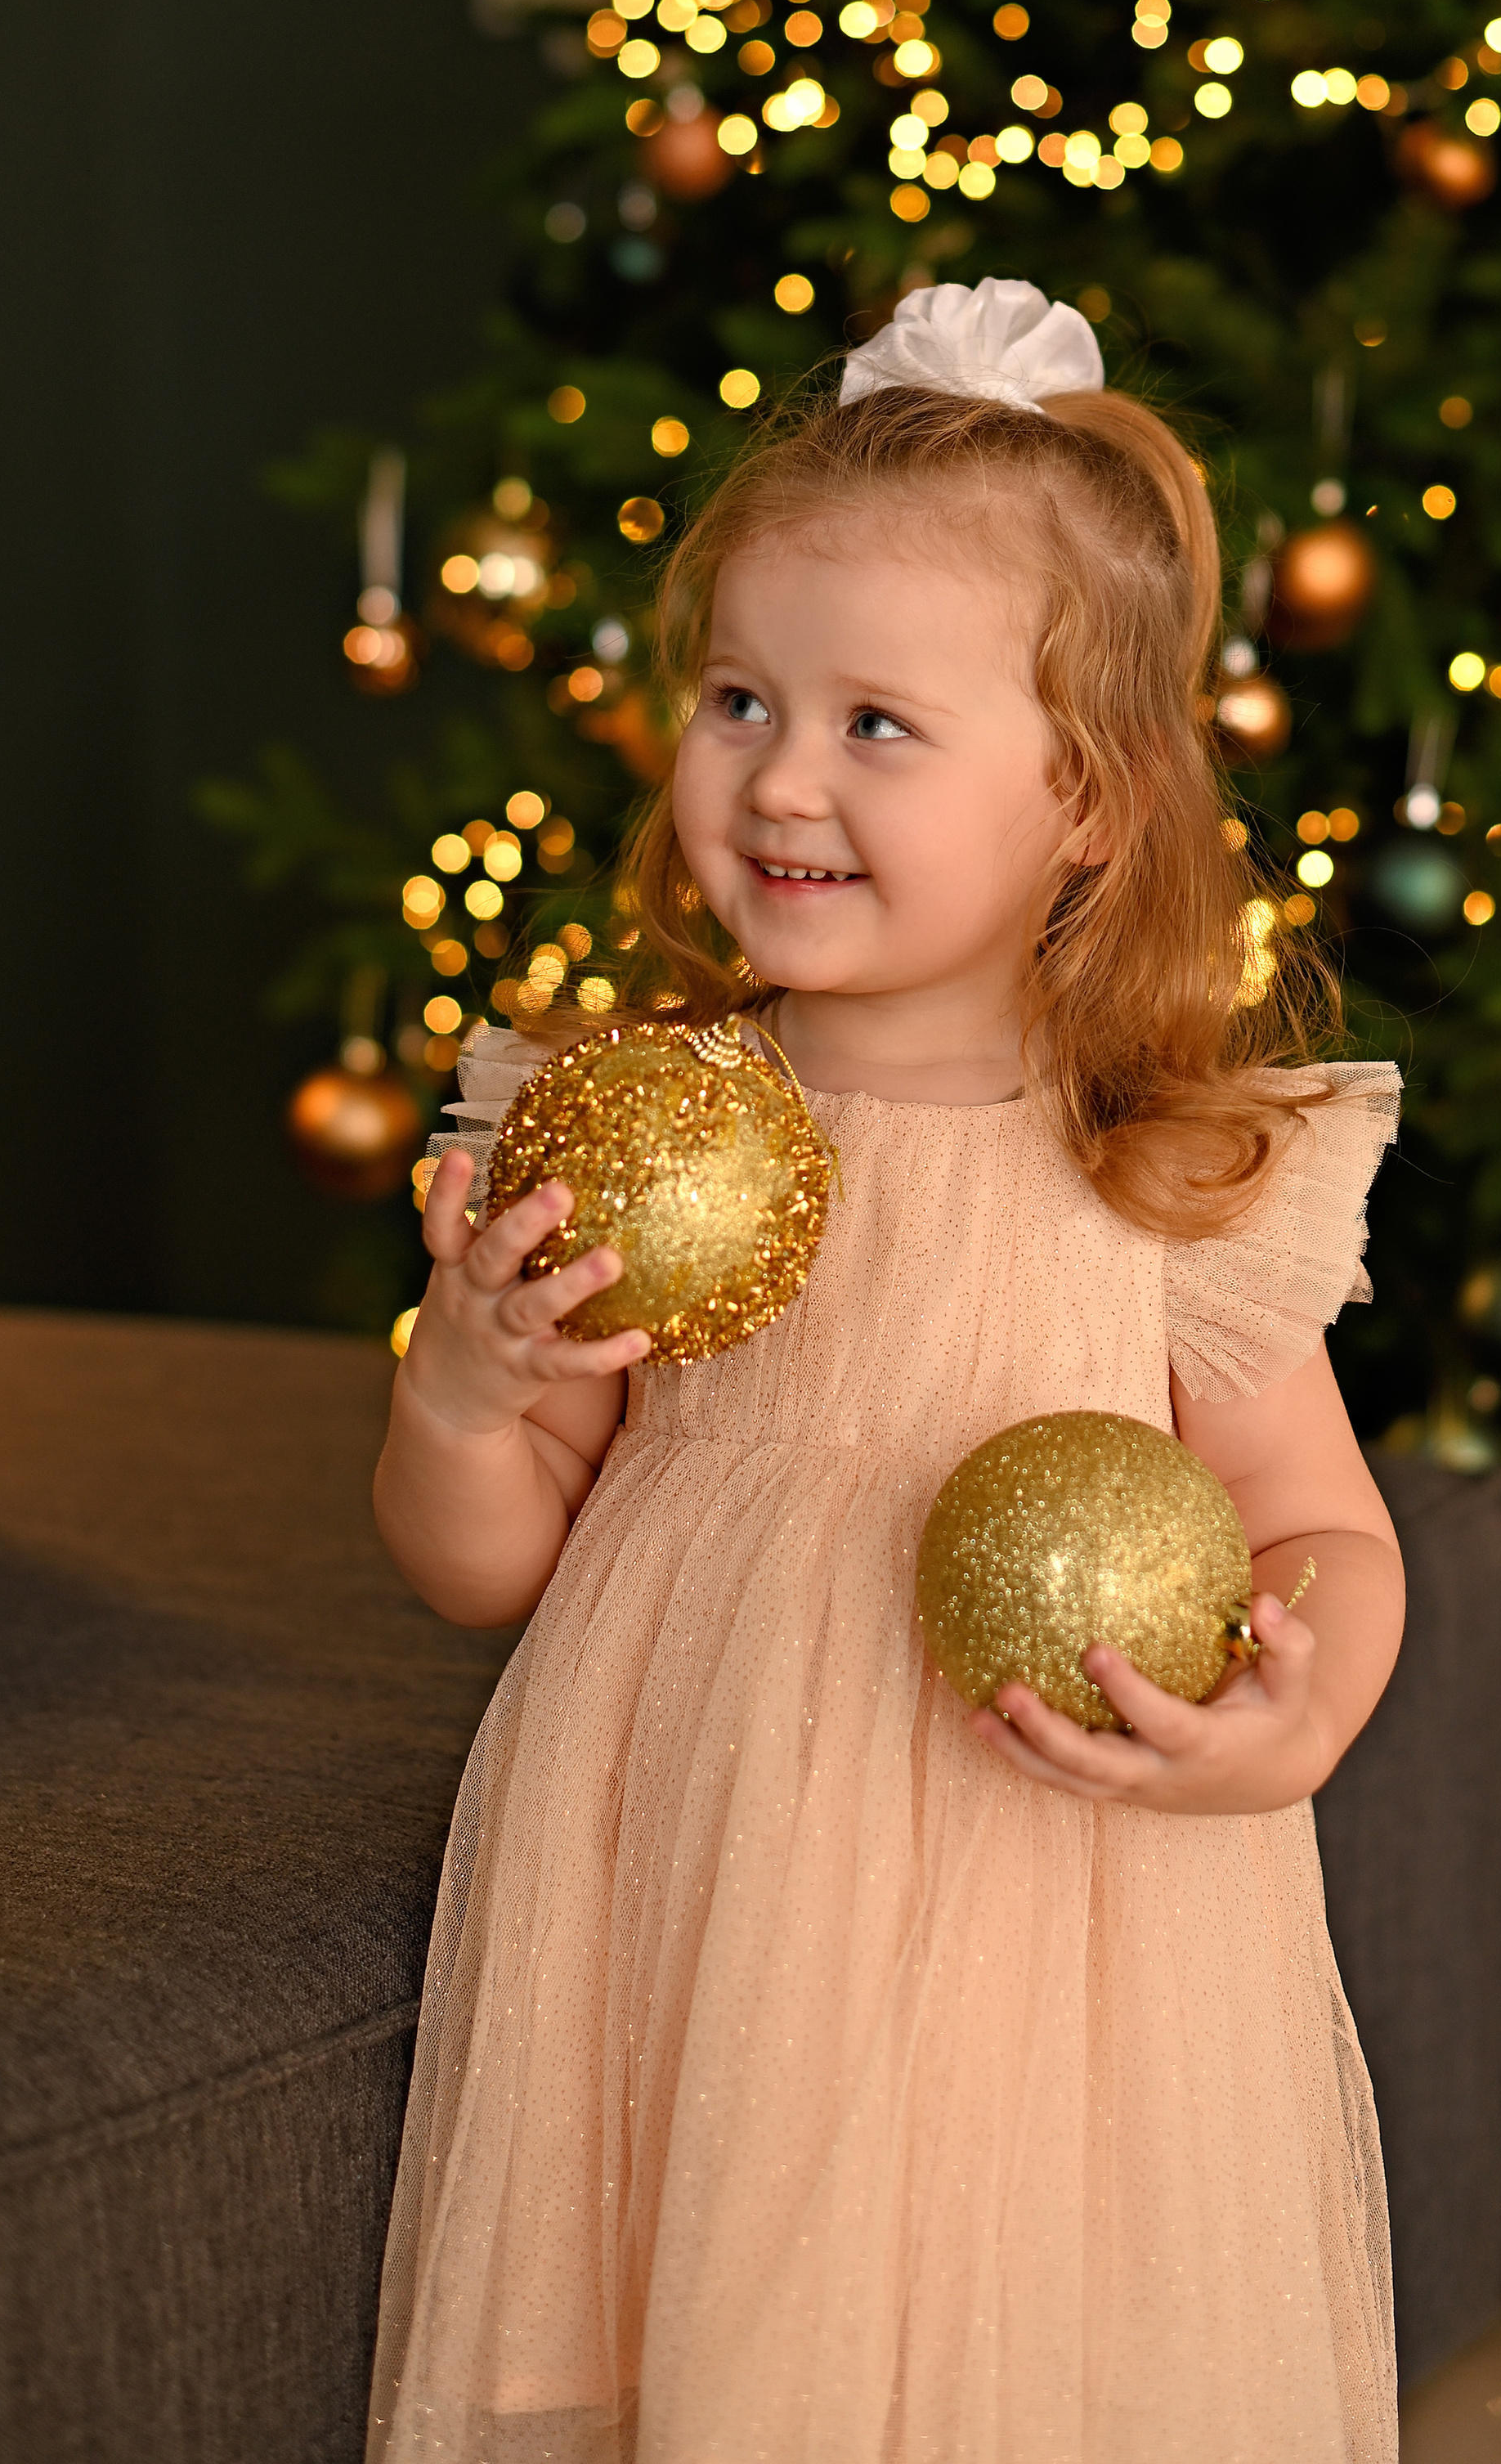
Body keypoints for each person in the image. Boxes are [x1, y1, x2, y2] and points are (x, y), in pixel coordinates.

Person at [368, 278, 1406, 2464]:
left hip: (1072, 1902)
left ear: (1091, 804)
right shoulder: (630, 1128)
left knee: (1043, 2354)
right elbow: (482, 1565)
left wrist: (1289, 1709)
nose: (781, 779)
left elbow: (1318, 1521)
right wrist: (463, 1398)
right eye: (741, 697)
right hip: (699, 1861)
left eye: (878, 725)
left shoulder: (1168, 1167)